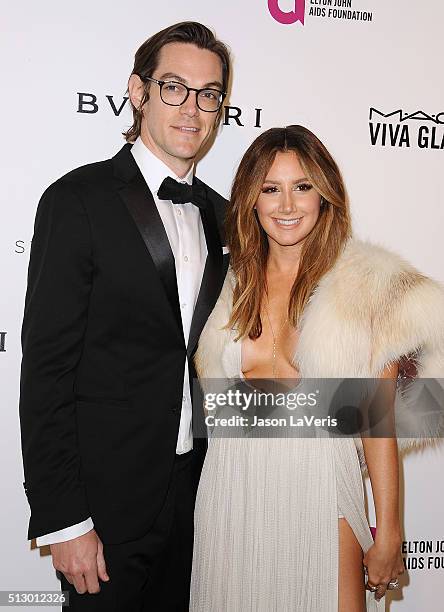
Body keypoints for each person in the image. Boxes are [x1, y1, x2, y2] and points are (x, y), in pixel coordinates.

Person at [19, 21, 230, 611]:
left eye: (209, 93)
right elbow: (46, 371)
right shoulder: (78, 200)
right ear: (137, 92)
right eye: (173, 87)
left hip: (199, 499)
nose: (193, 108)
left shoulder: (225, 216)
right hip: (104, 512)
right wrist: (64, 519)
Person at [190, 125, 444, 611]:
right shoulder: (227, 280)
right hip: (232, 486)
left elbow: (378, 424)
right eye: (270, 189)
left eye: (302, 187)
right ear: (252, 198)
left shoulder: (364, 285)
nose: (287, 205)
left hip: (323, 485)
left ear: (325, 194)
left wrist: (388, 532)